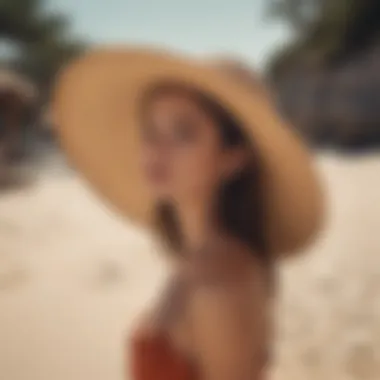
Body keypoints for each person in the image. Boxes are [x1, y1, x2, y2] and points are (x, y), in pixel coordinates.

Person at [53, 47, 324, 380]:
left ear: (232, 158)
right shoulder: (203, 257)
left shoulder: (219, 280)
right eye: (150, 131)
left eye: (182, 132)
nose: (156, 149)